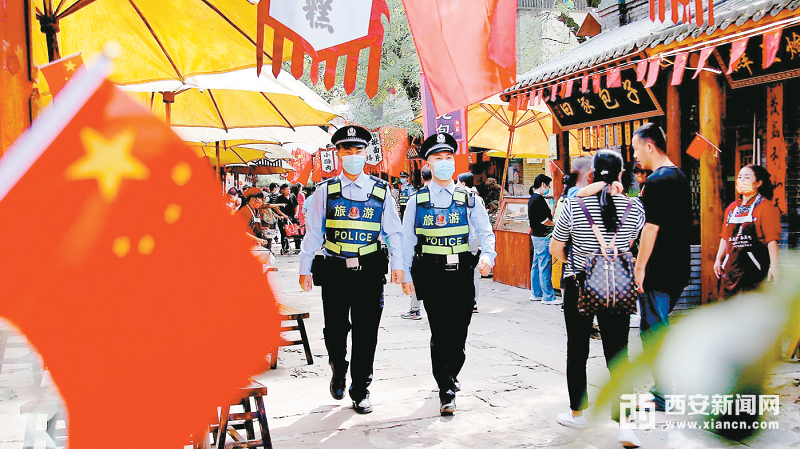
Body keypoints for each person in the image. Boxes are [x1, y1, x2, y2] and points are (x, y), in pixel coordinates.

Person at [298, 125, 404, 415]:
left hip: (369, 270)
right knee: (335, 330)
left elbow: (394, 232)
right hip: (334, 269)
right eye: (348, 150)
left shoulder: (381, 192)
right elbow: (313, 232)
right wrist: (304, 267)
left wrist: (398, 264)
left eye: (358, 150)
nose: (353, 155)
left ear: (366, 153)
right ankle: (338, 366)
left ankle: (360, 390)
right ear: (339, 153)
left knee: (366, 332)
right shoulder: (325, 191)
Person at [549, 150, 645, 448]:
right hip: (617, 284)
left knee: (577, 349)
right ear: (620, 175)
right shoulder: (635, 208)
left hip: (579, 282)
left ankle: (578, 413)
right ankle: (626, 426)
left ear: (592, 175)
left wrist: (576, 260)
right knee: (619, 354)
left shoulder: (573, 205)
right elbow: (628, 244)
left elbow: (555, 247)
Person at [401, 132, 496, 416]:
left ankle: (452, 373)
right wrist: (405, 274)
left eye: (447, 158)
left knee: (459, 332)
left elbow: (485, 231)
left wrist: (488, 256)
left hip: (462, 270)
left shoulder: (468, 197)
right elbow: (407, 240)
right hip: (431, 271)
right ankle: (446, 388)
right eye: (437, 159)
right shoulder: (417, 201)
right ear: (427, 164)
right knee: (440, 331)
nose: (444, 163)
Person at [631, 122, 691, 411]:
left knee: (654, 331)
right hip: (679, 266)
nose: (635, 156)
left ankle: (664, 394)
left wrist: (640, 267)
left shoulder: (655, 182)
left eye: (636, 148)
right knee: (658, 327)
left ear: (650, 146)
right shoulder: (679, 175)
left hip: (658, 268)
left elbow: (650, 228)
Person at [714, 164, 781, 299]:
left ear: (758, 183)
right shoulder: (732, 208)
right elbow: (724, 237)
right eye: (739, 177)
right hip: (731, 269)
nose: (742, 181)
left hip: (754, 269)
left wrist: (774, 265)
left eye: (747, 177)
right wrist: (718, 259)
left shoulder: (765, 207)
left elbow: (771, 239)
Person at [400, 166, 432, 321]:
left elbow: (407, 235)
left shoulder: (416, 198)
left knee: (417, 278)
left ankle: (415, 309)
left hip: (421, 252)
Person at [528, 174, 559, 304]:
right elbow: (544, 220)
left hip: (536, 236)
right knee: (544, 265)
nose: (549, 188)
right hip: (542, 236)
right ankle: (548, 296)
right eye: (548, 185)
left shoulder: (533, 199)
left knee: (536, 265)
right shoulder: (538, 200)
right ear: (543, 185)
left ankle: (536, 293)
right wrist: (555, 226)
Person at [457, 172, 484, 313]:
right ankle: (473, 301)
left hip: (466, 240)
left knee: (463, 270)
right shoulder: (478, 198)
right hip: (475, 239)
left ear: (463, 183)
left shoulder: (462, 198)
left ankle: (465, 298)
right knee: (474, 272)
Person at [274, 184, 301, 254]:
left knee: (296, 232)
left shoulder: (292, 196)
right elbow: (276, 208)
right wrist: (283, 215)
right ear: (282, 190)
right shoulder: (279, 198)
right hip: (283, 218)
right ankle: (285, 248)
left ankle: (298, 248)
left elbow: (297, 205)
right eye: (286, 189)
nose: (288, 191)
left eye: (289, 189)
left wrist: (296, 213)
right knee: (284, 233)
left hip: (292, 217)